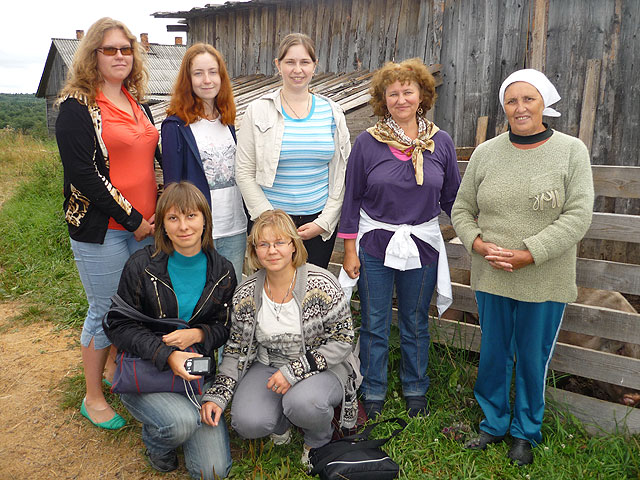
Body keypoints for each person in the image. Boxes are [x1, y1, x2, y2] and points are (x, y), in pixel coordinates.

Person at [451, 69, 594, 466]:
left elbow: (579, 214)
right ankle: (493, 423)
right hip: (491, 273)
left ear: (544, 103)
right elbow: (461, 208)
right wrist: (477, 244)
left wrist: (530, 252)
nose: (520, 108)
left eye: (528, 99)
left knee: (532, 357)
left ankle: (525, 431)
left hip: (543, 277)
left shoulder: (570, 151)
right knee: (495, 353)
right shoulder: (486, 153)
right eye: (512, 101)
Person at [338, 58, 460, 419]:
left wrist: (478, 234)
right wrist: (349, 249)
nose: (402, 99)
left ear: (422, 95)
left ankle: (415, 388)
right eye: (394, 93)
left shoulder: (441, 142)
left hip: (422, 245)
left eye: (409, 91)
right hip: (375, 244)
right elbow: (352, 197)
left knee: (415, 320)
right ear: (383, 99)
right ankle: (372, 390)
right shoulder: (368, 143)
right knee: (374, 321)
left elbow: (453, 197)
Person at [55, 17, 159, 430]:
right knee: (105, 309)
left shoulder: (139, 103)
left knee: (135, 306)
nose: (120, 56)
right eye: (110, 49)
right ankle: (92, 396)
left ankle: (119, 372)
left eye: (126, 49)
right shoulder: (76, 108)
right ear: (92, 56)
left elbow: (152, 161)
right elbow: (85, 175)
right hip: (104, 230)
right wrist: (133, 219)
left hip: (147, 228)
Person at [200, 210, 360, 470]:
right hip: (268, 364)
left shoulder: (322, 283)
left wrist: (294, 371)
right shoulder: (246, 293)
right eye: (263, 244)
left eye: (279, 242)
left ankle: (317, 440)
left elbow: (342, 341)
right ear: (255, 250)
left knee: (303, 403)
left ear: (294, 246)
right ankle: (282, 421)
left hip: (322, 366)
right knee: (247, 422)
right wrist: (217, 395)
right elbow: (234, 350)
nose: (271, 251)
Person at [103, 182, 235, 478]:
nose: (184, 226)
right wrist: (166, 355)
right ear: (162, 224)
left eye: (191, 216)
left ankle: (179, 424)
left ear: (205, 220)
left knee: (213, 473)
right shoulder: (142, 265)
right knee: (182, 423)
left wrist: (199, 335)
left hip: (195, 375)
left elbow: (225, 326)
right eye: (173, 218)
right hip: (147, 372)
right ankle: (157, 442)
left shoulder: (222, 270)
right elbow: (118, 324)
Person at [235, 33, 351, 269]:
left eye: (304, 62)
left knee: (311, 295)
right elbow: (244, 171)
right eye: (290, 62)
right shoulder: (258, 110)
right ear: (278, 65)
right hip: (270, 226)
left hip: (317, 225)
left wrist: (325, 221)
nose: (297, 69)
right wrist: (271, 221)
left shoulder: (332, 112)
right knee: (271, 294)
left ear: (314, 66)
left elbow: (341, 174)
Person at [162, 43, 247, 285]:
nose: (207, 80)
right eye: (198, 73)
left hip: (234, 227)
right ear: (188, 80)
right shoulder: (175, 126)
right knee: (198, 295)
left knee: (232, 294)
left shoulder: (228, 122)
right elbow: (172, 187)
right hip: (198, 231)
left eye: (213, 72)